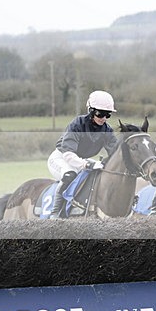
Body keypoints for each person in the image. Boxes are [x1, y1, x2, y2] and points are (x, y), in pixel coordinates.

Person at [47, 90, 120, 219]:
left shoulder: (107, 130)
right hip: (61, 157)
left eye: (107, 115)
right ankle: (55, 213)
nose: (103, 118)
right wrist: (87, 164)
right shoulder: (77, 124)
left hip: (81, 159)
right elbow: (68, 154)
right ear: (91, 111)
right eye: (100, 114)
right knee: (70, 174)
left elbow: (116, 152)